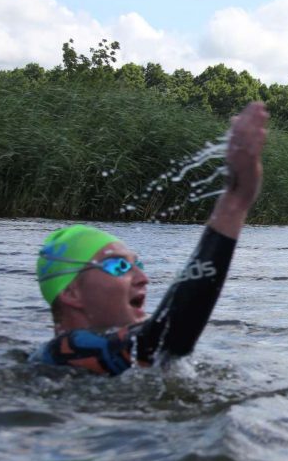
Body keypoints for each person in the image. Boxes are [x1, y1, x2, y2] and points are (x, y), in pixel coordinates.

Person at [34, 101, 269, 376]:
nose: (143, 278)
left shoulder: (114, 357)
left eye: (139, 265)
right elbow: (165, 337)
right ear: (72, 293)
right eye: (119, 266)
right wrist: (234, 201)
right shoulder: (65, 350)